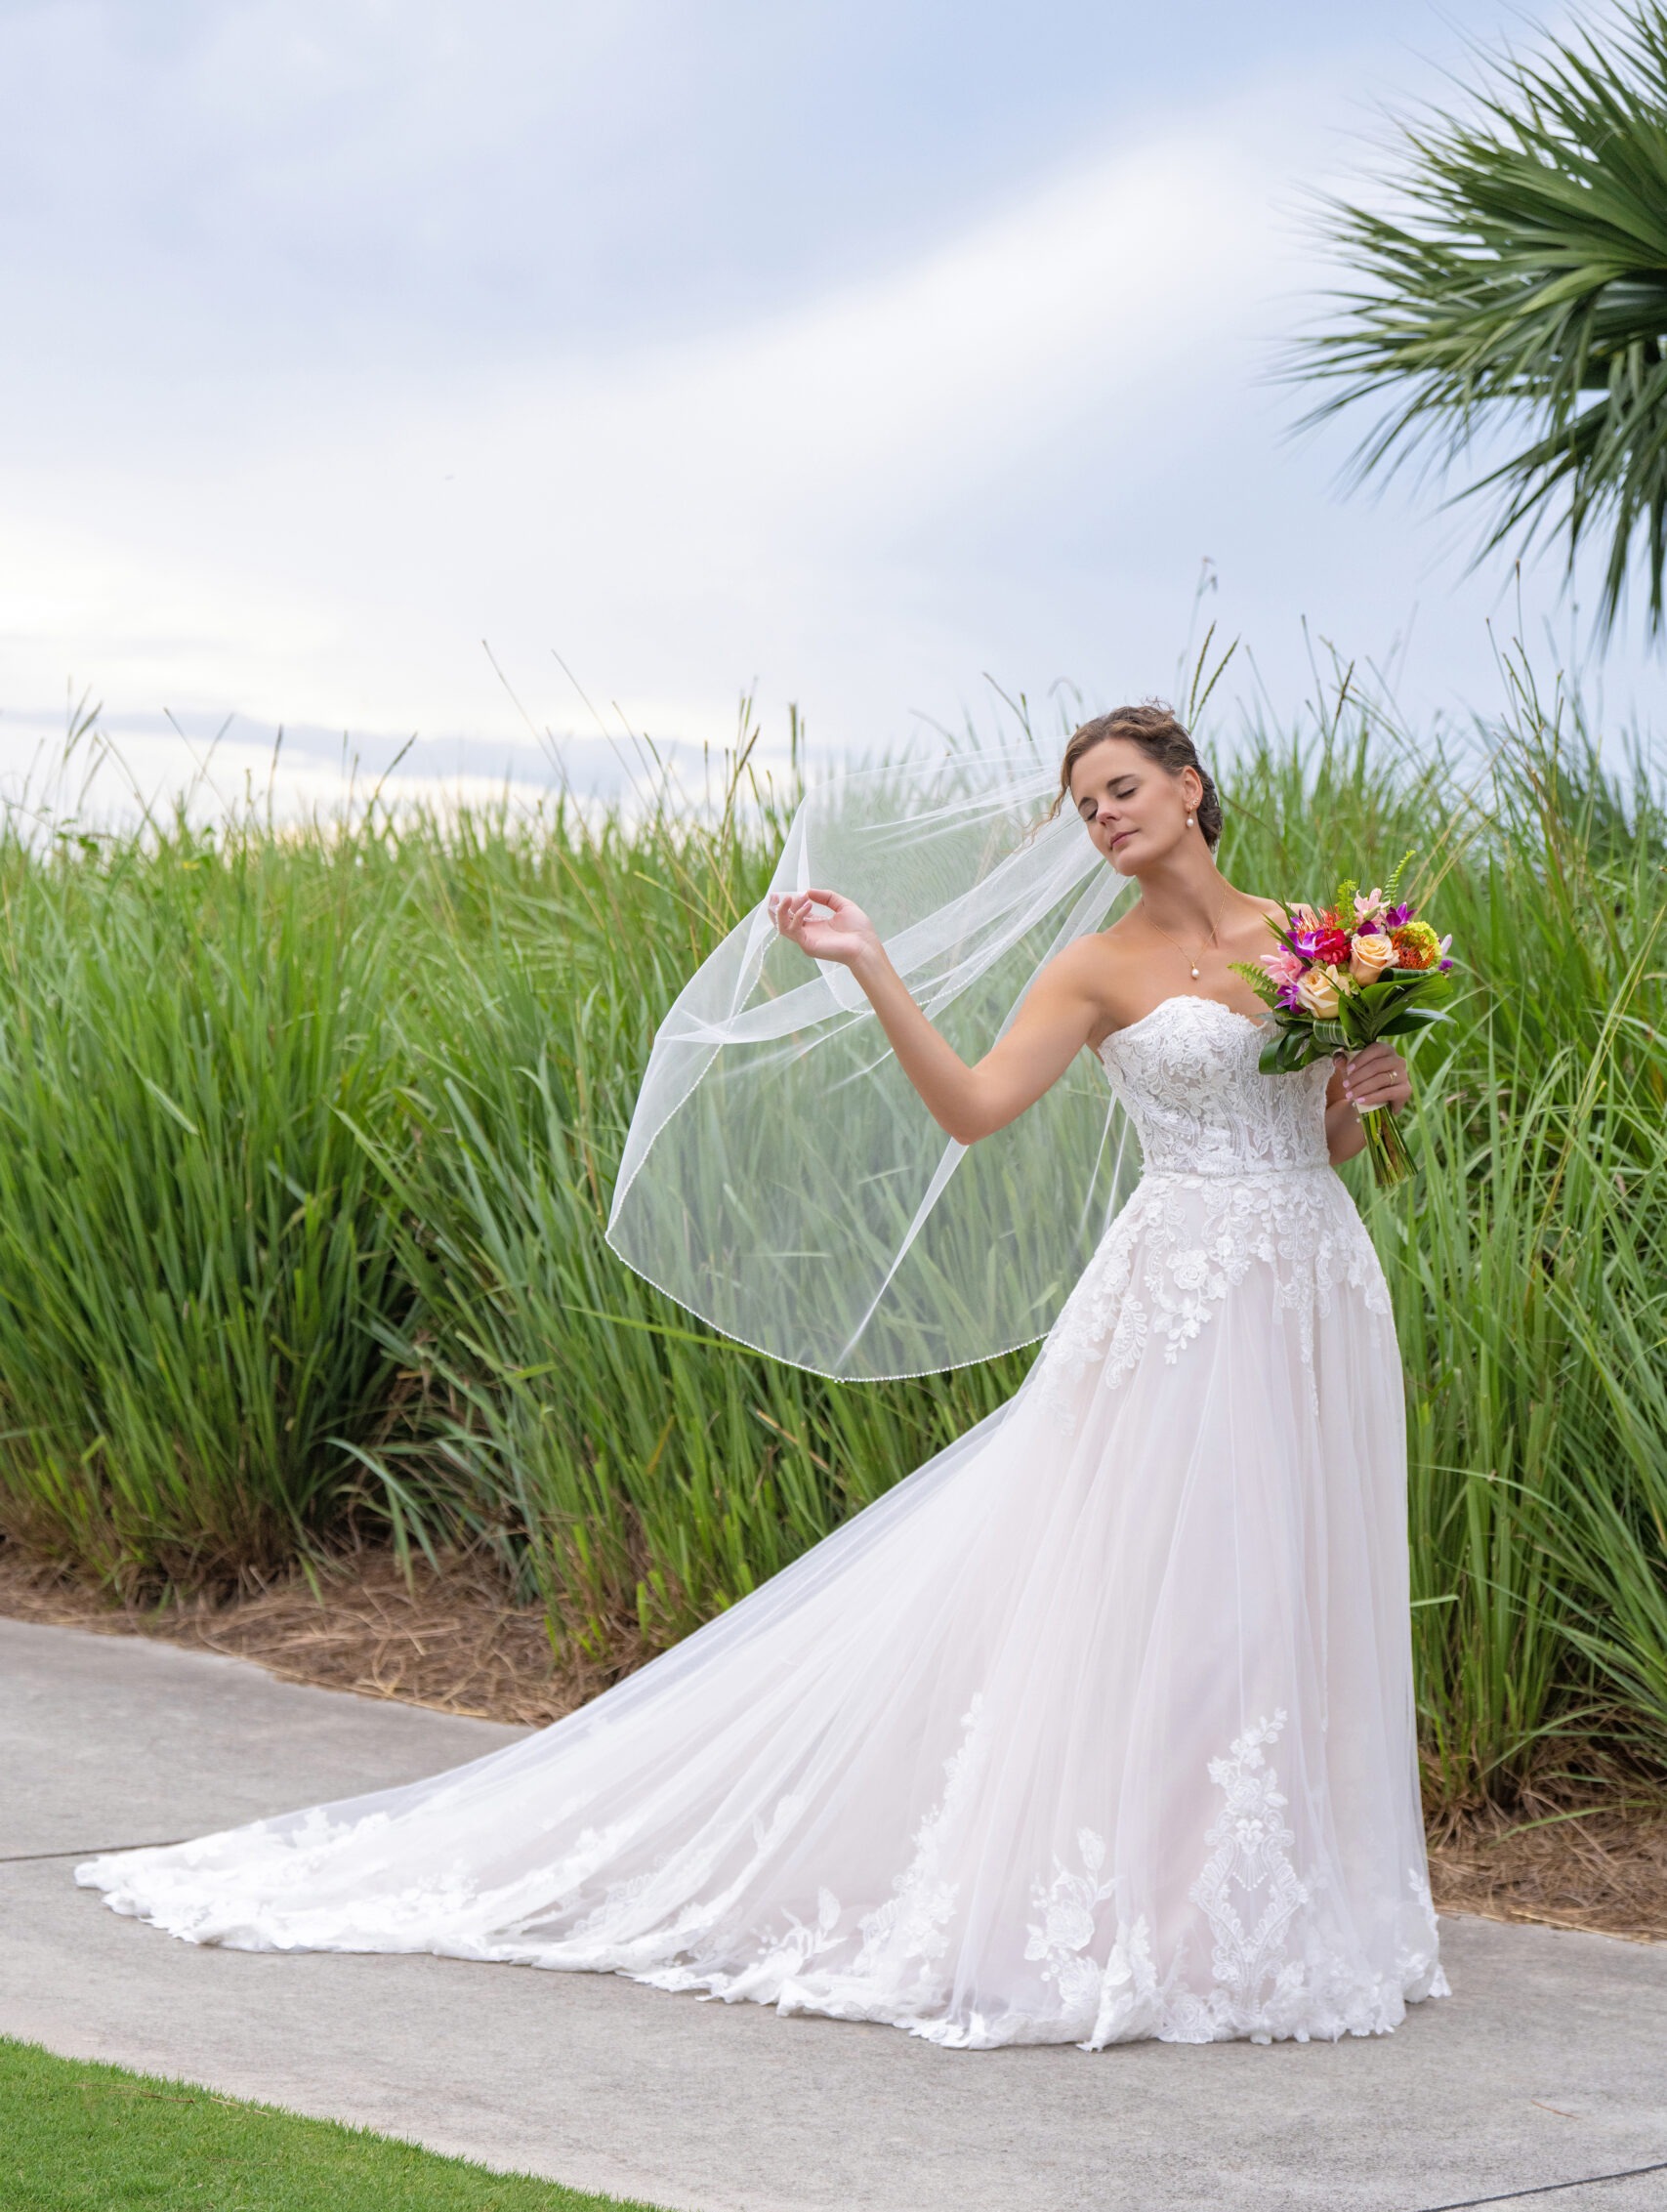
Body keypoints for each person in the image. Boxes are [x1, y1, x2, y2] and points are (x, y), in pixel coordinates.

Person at [81, 705, 1446, 2050]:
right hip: (1175, 1302)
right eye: (1085, 803)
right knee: (1168, 1587)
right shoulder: (1095, 970)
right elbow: (972, 1112)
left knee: (1289, 1575)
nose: (1104, 817)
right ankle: (1163, 1913)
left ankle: (1272, 1900)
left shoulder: (1315, 948)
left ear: (1191, 786)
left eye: (1124, 788)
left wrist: (1363, 1090)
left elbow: (1313, 1139)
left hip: (1314, 1287)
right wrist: (869, 964)